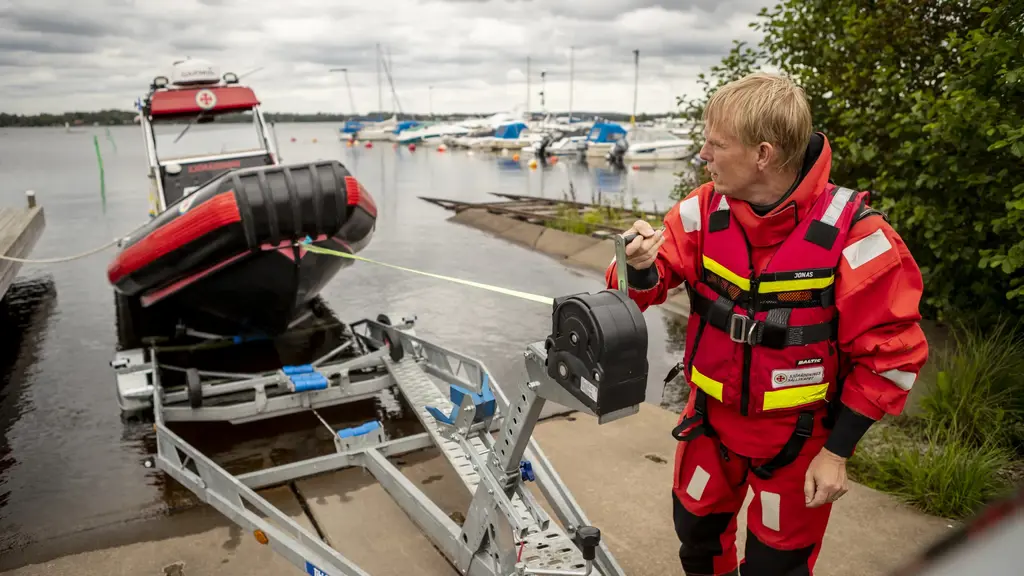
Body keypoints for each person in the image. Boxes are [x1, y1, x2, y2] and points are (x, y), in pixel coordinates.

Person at [605, 72, 929, 575]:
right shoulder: (700, 211)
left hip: (798, 443)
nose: (703, 156)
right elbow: (636, 287)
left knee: (775, 567)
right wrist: (640, 264)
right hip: (709, 426)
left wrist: (838, 452)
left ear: (763, 154)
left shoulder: (859, 237)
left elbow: (893, 359)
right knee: (696, 540)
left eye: (715, 144)